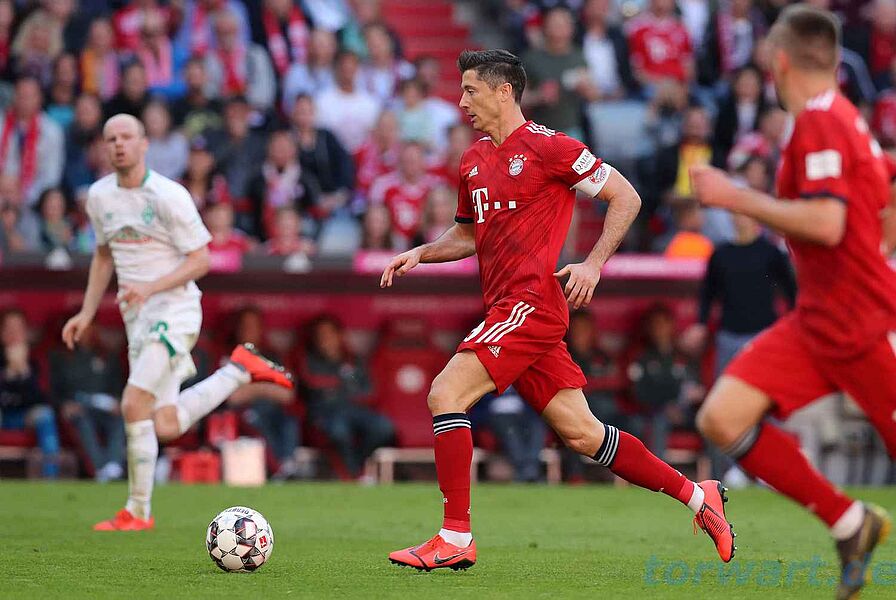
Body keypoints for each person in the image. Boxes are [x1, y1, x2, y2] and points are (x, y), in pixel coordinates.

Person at [381, 49, 734, 571]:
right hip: (508, 310)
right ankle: (700, 497)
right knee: (583, 434)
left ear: (504, 91)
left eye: (470, 91)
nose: (462, 103)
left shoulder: (551, 148)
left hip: (530, 305)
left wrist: (593, 263)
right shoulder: (473, 160)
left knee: (445, 393)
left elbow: (626, 197)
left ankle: (455, 537)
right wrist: (422, 253)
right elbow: (468, 234)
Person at [690, 7, 896, 599]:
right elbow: (882, 189)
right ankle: (851, 523)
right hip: (819, 321)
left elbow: (828, 223)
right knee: (722, 418)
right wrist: (879, 247)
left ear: (779, 61)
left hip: (863, 323)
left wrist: (735, 196)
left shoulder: (822, 121)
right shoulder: (842, 118)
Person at [61, 114, 294, 531]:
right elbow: (103, 255)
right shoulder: (98, 196)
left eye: (126, 137)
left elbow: (201, 260)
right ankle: (239, 370)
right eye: (111, 138)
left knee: (134, 403)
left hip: (175, 312)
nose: (118, 144)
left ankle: (137, 511)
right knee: (165, 424)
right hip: (138, 319)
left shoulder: (169, 195)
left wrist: (151, 287)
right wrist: (87, 312)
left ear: (144, 144)